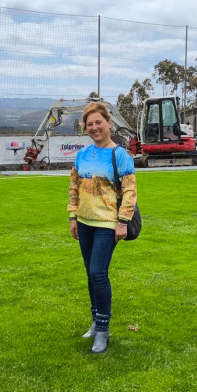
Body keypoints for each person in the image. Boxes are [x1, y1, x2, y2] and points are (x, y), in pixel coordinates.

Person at [67, 102, 137, 354]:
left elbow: (130, 191)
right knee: (90, 274)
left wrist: (122, 222)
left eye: (98, 122)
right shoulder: (82, 154)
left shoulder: (120, 155)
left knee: (98, 272)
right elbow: (74, 186)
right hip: (84, 222)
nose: (94, 127)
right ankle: (96, 323)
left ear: (109, 123)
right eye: (90, 124)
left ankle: (104, 330)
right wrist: (73, 216)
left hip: (108, 224)